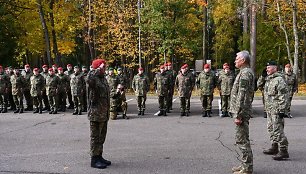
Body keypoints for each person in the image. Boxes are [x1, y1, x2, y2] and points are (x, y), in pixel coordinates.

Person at [230, 50, 254, 174]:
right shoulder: (244, 72)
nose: (235, 60)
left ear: (243, 60)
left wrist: (238, 114)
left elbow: (242, 95)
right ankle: (245, 165)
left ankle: (247, 168)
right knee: (242, 139)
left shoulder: (245, 74)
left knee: (242, 140)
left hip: (242, 113)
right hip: (242, 111)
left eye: (237, 58)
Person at [86, 58, 111, 169]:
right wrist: (96, 69)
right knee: (95, 137)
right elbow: (88, 78)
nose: (105, 69)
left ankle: (99, 156)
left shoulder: (103, 79)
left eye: (105, 67)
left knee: (101, 137)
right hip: (95, 114)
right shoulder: (93, 79)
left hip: (103, 113)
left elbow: (106, 95)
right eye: (103, 67)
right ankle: (94, 159)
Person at [262, 61, 289, 161]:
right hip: (269, 109)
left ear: (275, 68)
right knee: (270, 129)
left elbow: (284, 96)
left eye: (269, 67)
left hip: (277, 110)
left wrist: (282, 110)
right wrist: (262, 76)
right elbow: (259, 86)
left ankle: (283, 150)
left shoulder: (279, 80)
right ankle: (274, 146)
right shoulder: (269, 79)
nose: (267, 69)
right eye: (267, 67)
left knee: (278, 130)